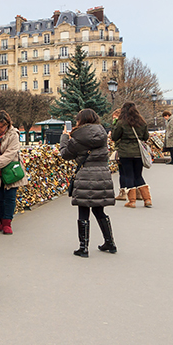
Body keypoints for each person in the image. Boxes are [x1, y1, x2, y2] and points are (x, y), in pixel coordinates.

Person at [57, 109, 117, 257]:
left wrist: (65, 136)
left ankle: (83, 248)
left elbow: (65, 154)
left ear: (80, 121)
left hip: (85, 175)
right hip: (102, 174)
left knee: (83, 211)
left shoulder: (78, 138)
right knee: (99, 210)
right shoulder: (102, 134)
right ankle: (110, 243)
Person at [111, 102, 152, 208]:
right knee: (138, 175)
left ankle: (132, 201)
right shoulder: (142, 122)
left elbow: (114, 137)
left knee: (128, 175)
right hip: (138, 152)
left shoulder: (121, 123)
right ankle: (147, 199)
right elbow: (146, 137)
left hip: (125, 152)